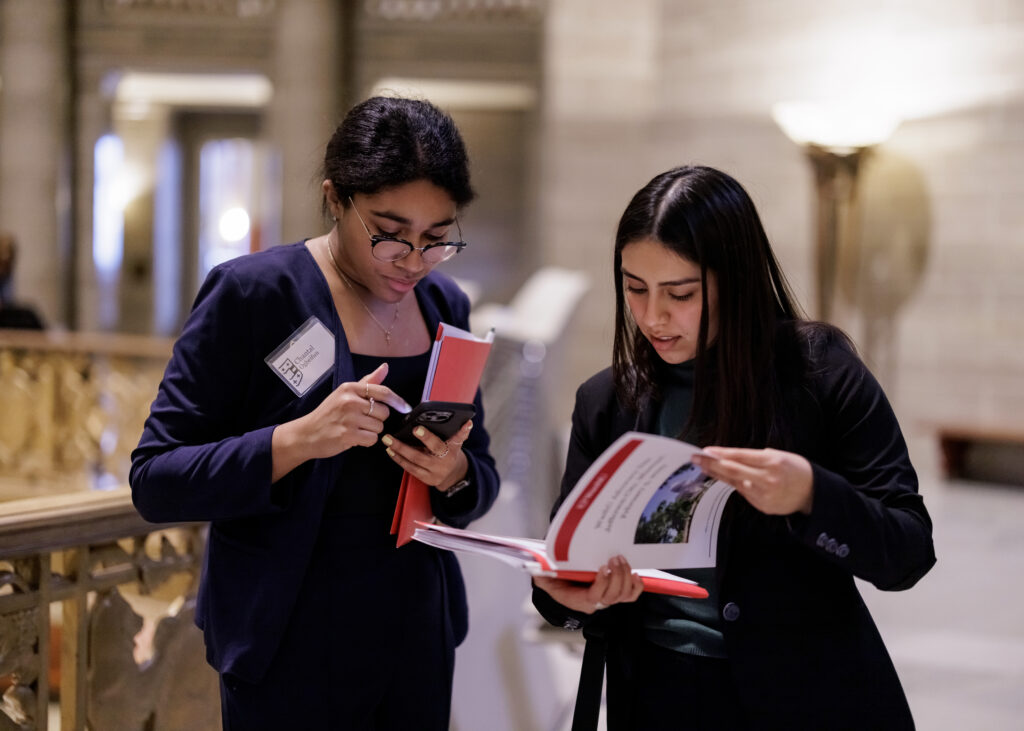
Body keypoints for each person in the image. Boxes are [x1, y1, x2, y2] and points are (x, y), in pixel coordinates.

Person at [130, 96, 500, 730]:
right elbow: (155, 478)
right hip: (286, 636)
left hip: (414, 629)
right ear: (336, 198)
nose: (412, 261)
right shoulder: (253, 294)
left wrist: (454, 473)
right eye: (388, 235)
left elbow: (480, 473)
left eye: (436, 240)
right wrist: (296, 440)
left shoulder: (444, 304)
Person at [532, 165, 936, 730]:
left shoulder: (819, 373)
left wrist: (812, 496)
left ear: (736, 281)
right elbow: (564, 572)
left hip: (803, 694)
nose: (653, 316)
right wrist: (564, 595)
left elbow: (909, 552)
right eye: (634, 288)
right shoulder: (609, 400)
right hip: (656, 692)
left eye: (681, 293)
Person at [0, 232, 45, 330]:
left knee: (28, 316)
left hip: (6, 314)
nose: (6, 258)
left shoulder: (7, 274)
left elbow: (8, 299)